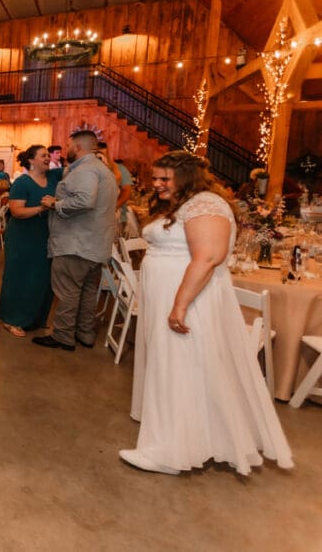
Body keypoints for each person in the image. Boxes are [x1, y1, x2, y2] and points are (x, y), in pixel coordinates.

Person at [121, 151, 293, 476]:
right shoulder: (184, 204)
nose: (156, 184)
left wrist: (180, 304)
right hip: (170, 292)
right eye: (155, 178)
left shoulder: (206, 205)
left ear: (188, 179)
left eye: (164, 179)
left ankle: (168, 452)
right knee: (174, 363)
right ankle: (185, 438)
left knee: (182, 362)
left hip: (188, 295)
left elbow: (208, 257)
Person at [34, 131, 117, 350]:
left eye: (68, 144)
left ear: (78, 147)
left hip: (77, 243)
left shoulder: (86, 169)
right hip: (95, 244)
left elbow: (84, 200)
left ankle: (63, 336)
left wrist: (55, 204)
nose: (66, 147)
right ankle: (85, 333)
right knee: (88, 292)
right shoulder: (102, 169)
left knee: (68, 291)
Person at [0, 145, 61, 337]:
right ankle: (11, 319)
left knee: (41, 278)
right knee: (18, 278)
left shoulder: (53, 176)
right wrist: (42, 208)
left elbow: (74, 169)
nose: (48, 158)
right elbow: (16, 211)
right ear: (31, 160)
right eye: (43, 155)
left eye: (48, 155)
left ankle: (36, 318)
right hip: (22, 237)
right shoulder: (22, 183)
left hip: (44, 235)